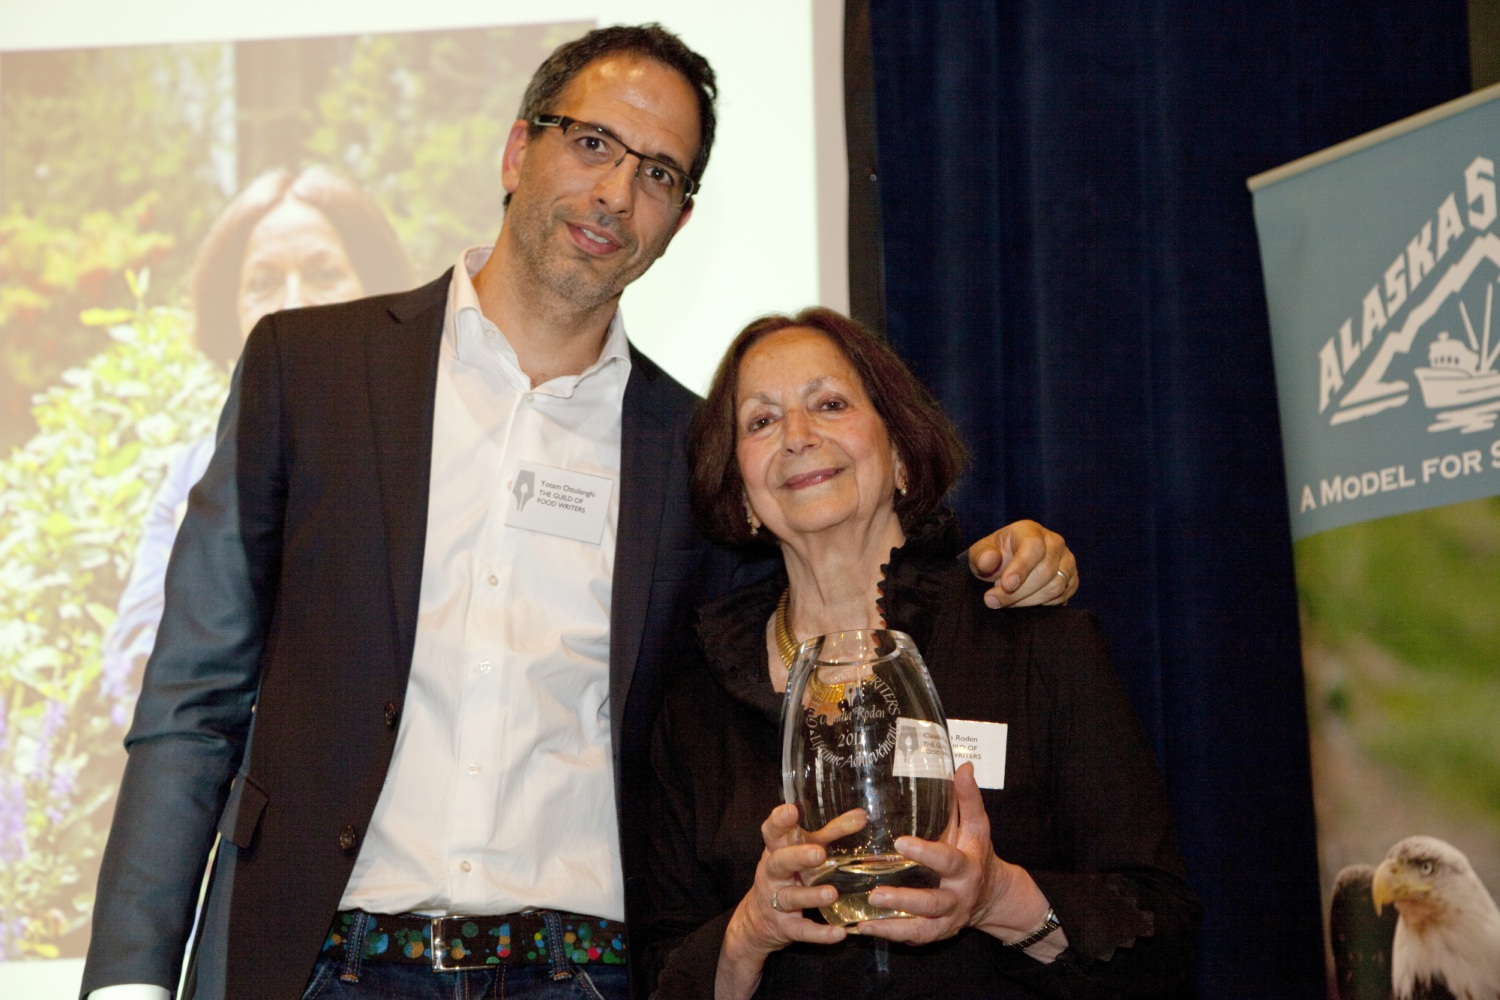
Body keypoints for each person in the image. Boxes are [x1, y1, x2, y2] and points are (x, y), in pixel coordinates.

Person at [80, 25, 1077, 1000]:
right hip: (321, 957)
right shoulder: (314, 369)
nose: (616, 193)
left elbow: (830, 573)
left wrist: (1000, 555)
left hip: (581, 971)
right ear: (518, 149)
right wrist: (129, 975)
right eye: (593, 143)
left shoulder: (692, 448)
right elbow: (192, 705)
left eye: (659, 173)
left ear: (679, 222)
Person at [644, 307, 1200, 998]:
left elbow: (1165, 933)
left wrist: (999, 897)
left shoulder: (1031, 641)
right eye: (761, 422)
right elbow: (662, 973)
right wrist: (751, 929)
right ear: (743, 493)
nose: (796, 437)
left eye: (830, 403)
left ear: (902, 454)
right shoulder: (697, 712)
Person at [102, 166, 412, 720]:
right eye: (263, 282)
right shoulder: (196, 471)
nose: (292, 304)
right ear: (232, 312)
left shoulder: (430, 452)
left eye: (323, 272)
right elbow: (136, 674)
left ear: (378, 290)